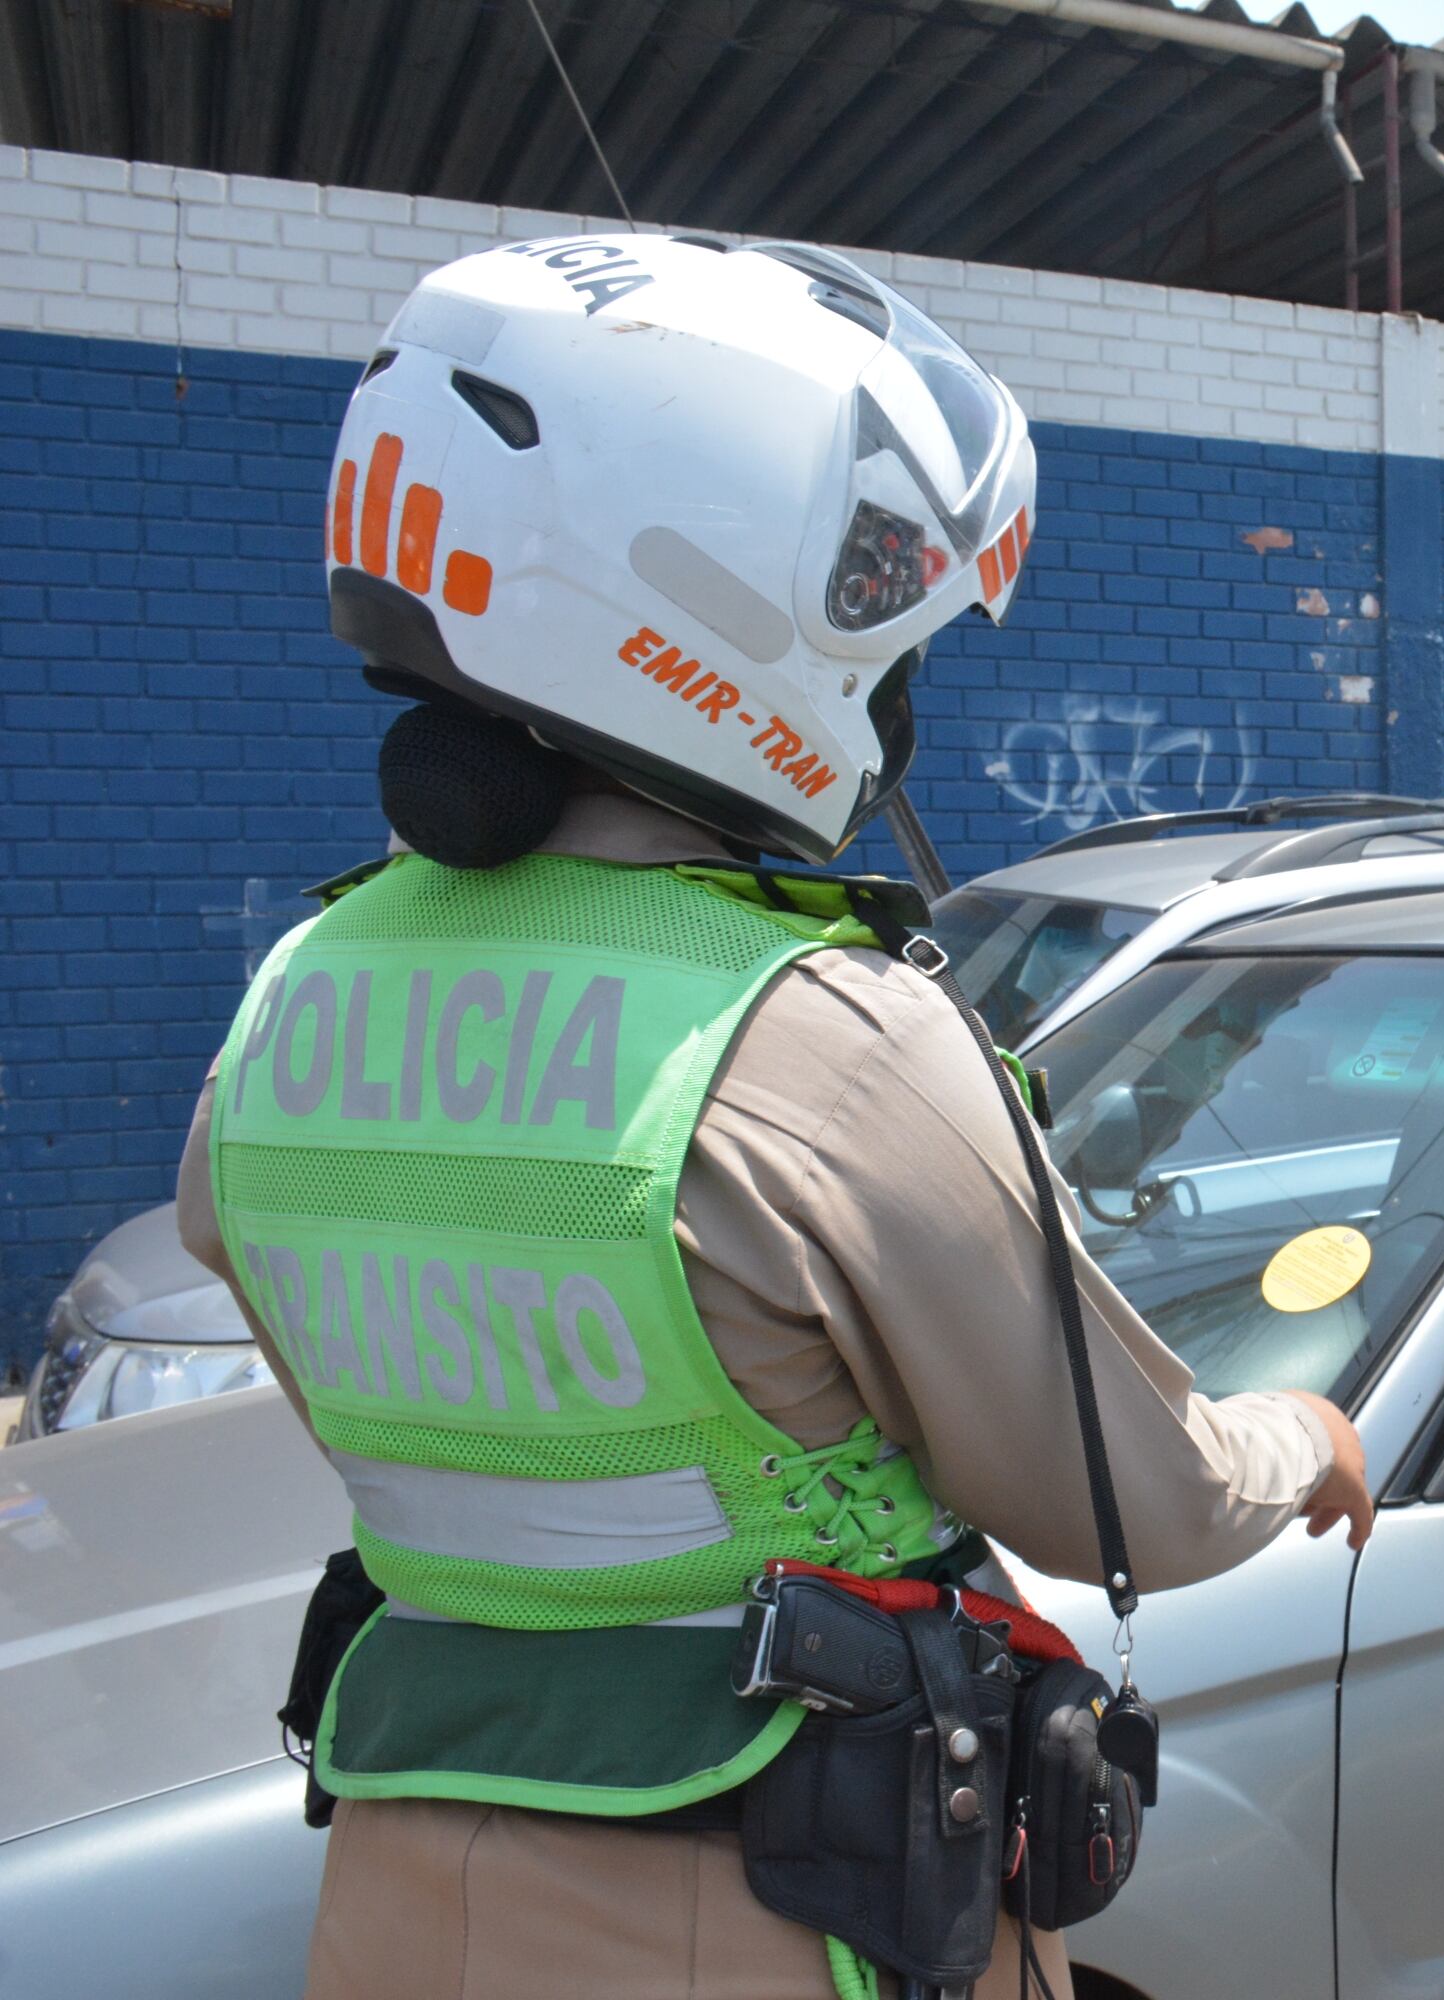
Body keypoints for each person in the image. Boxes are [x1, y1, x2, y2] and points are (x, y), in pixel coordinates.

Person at [174, 237, 1374, 2000]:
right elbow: (1138, 1506)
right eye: (887, 644)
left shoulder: (293, 1000)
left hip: (397, 1894)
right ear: (729, 606)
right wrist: (1301, 1439)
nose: (897, 704)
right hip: (777, 1909)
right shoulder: (820, 1039)